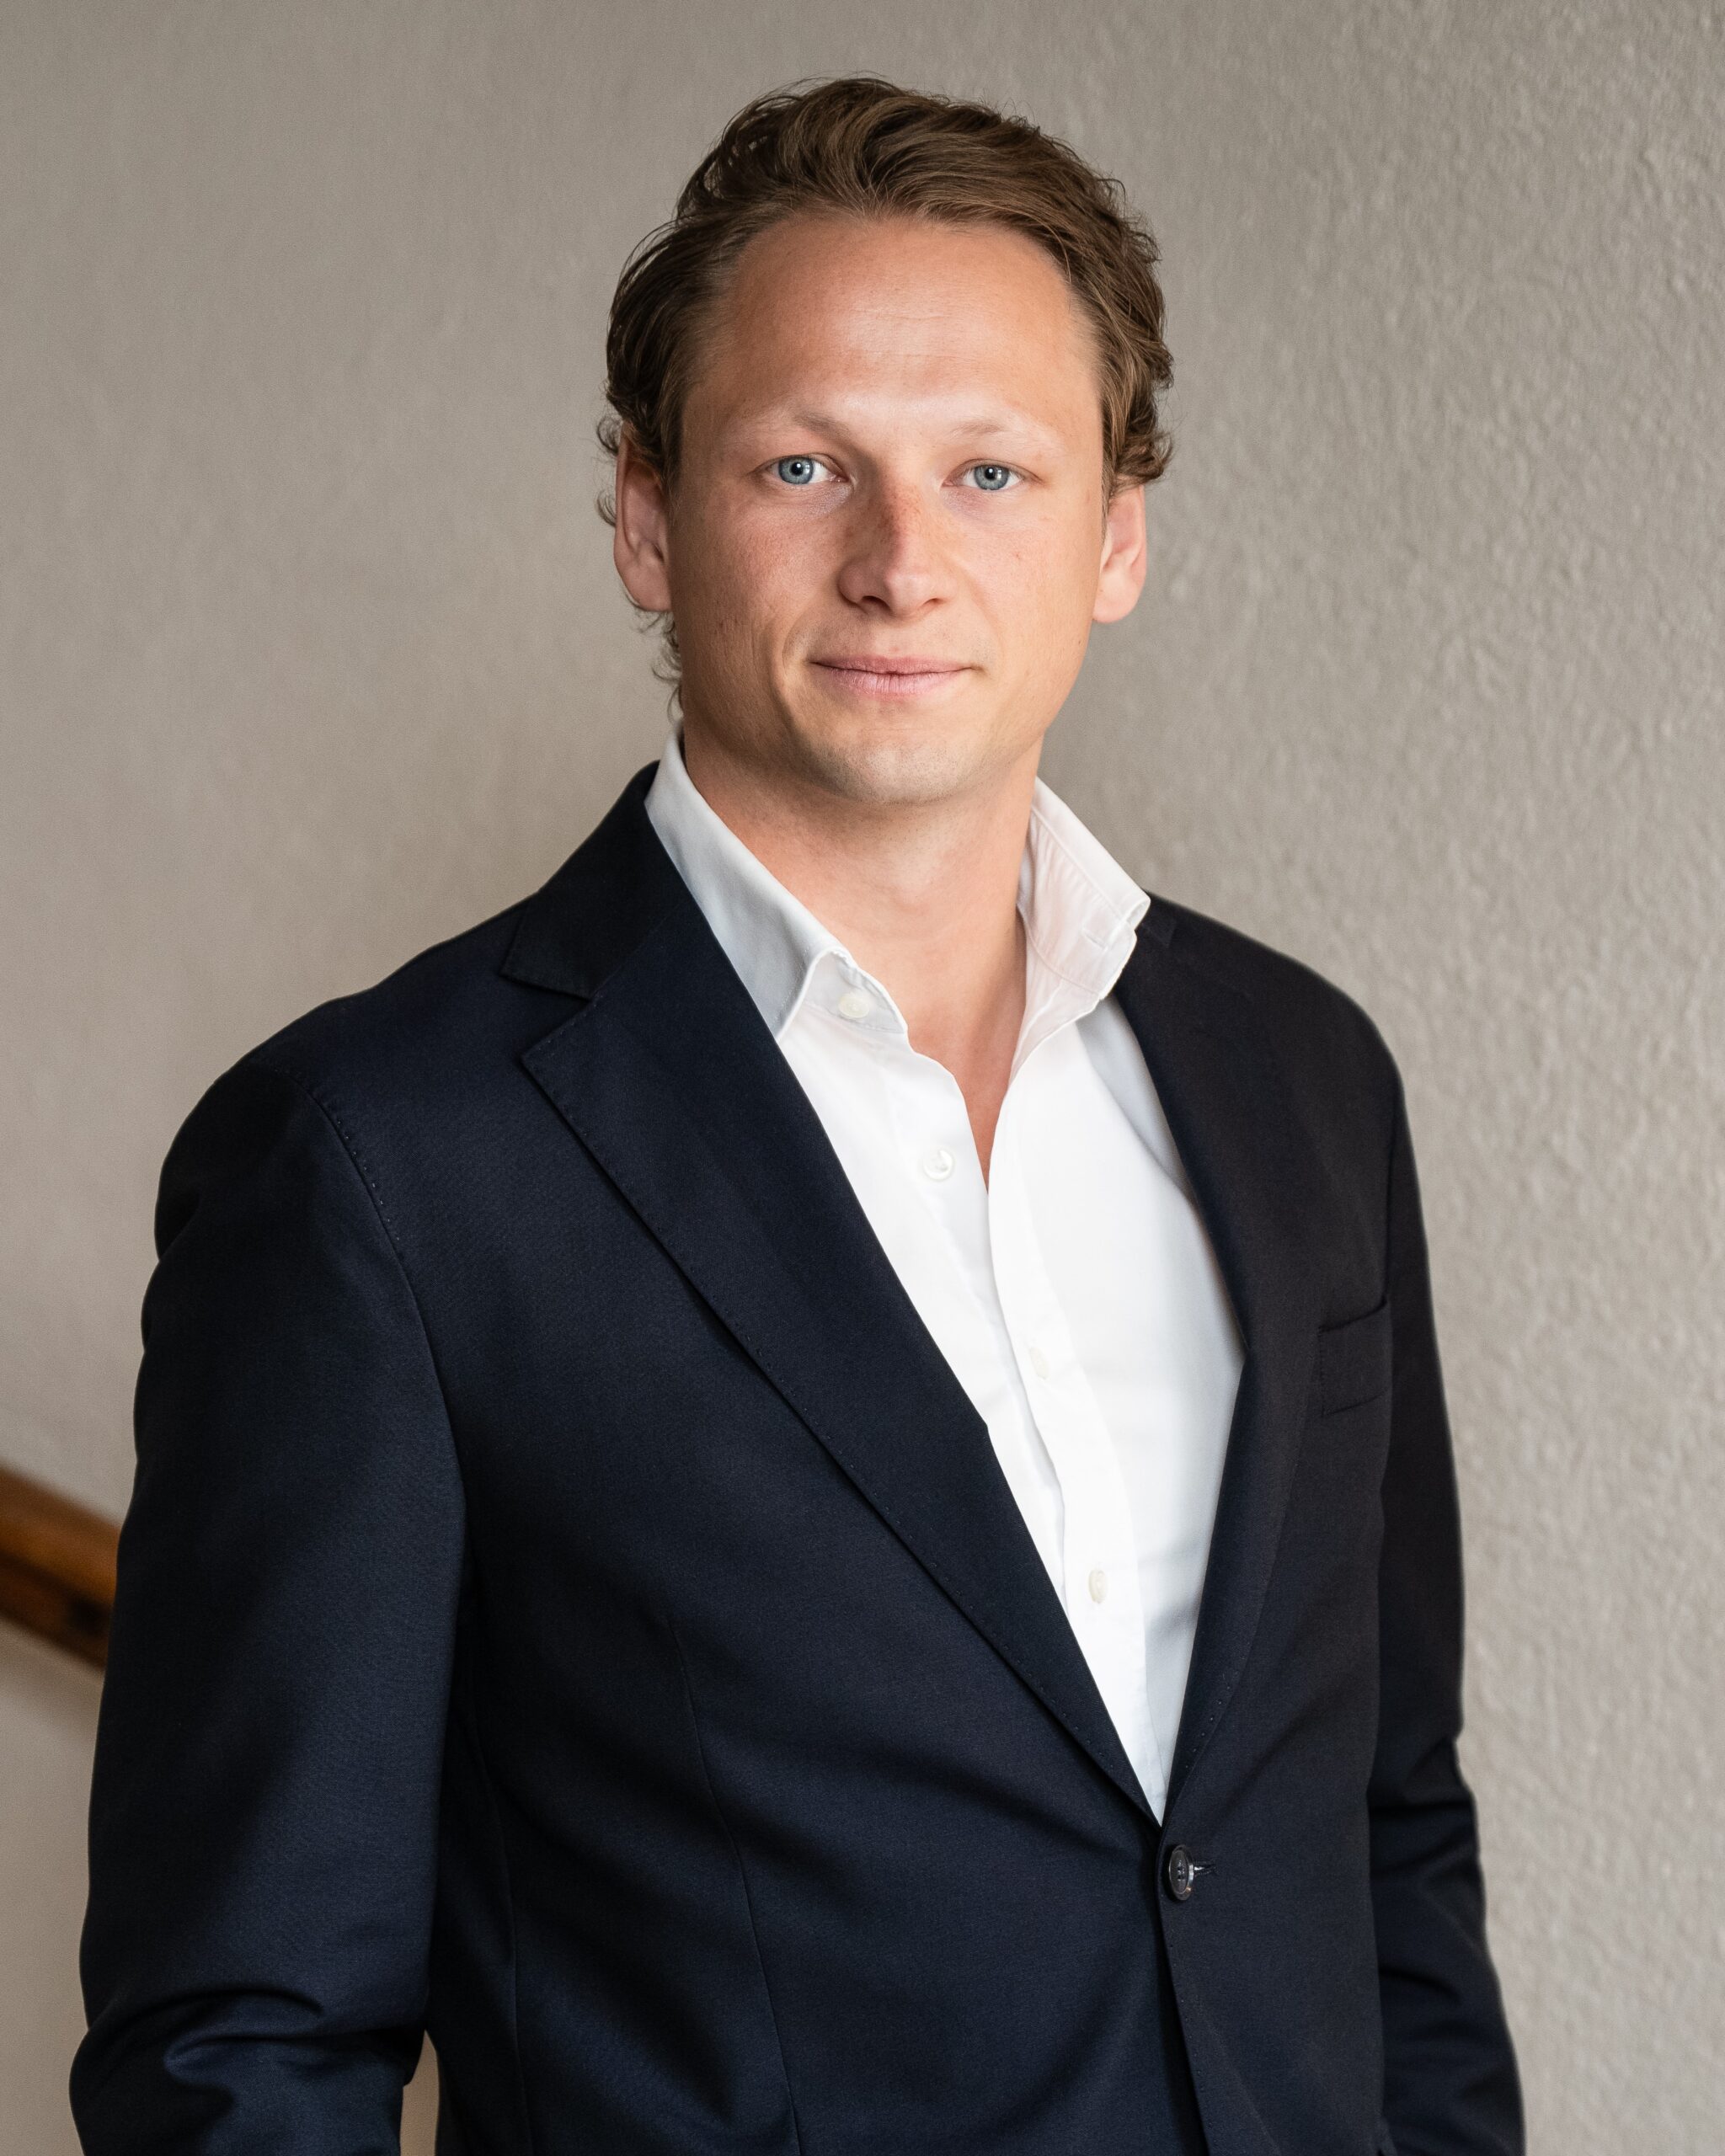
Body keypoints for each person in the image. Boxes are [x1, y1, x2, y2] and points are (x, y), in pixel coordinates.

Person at [72, 76, 1522, 2156]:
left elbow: (1383, 1830)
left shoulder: (1300, 1077)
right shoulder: (375, 1160)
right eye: (803, 463)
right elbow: (242, 2034)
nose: (901, 562)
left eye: (992, 470)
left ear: (1115, 535)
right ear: (648, 516)